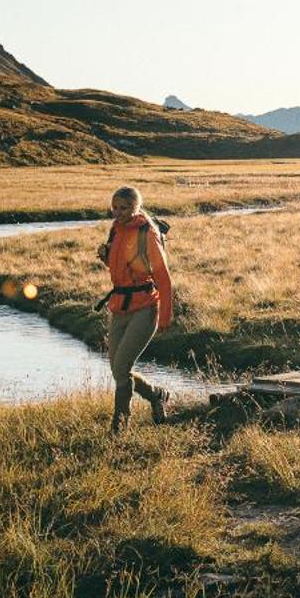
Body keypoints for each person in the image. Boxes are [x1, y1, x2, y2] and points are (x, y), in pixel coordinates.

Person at [97, 185, 173, 432]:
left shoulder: (147, 232)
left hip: (145, 307)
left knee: (121, 369)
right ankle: (157, 396)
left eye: (124, 208)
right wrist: (106, 256)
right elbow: (121, 267)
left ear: (136, 207)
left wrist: (164, 315)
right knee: (119, 371)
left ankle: (119, 427)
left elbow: (163, 276)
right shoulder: (115, 230)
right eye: (115, 207)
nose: (118, 212)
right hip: (119, 307)